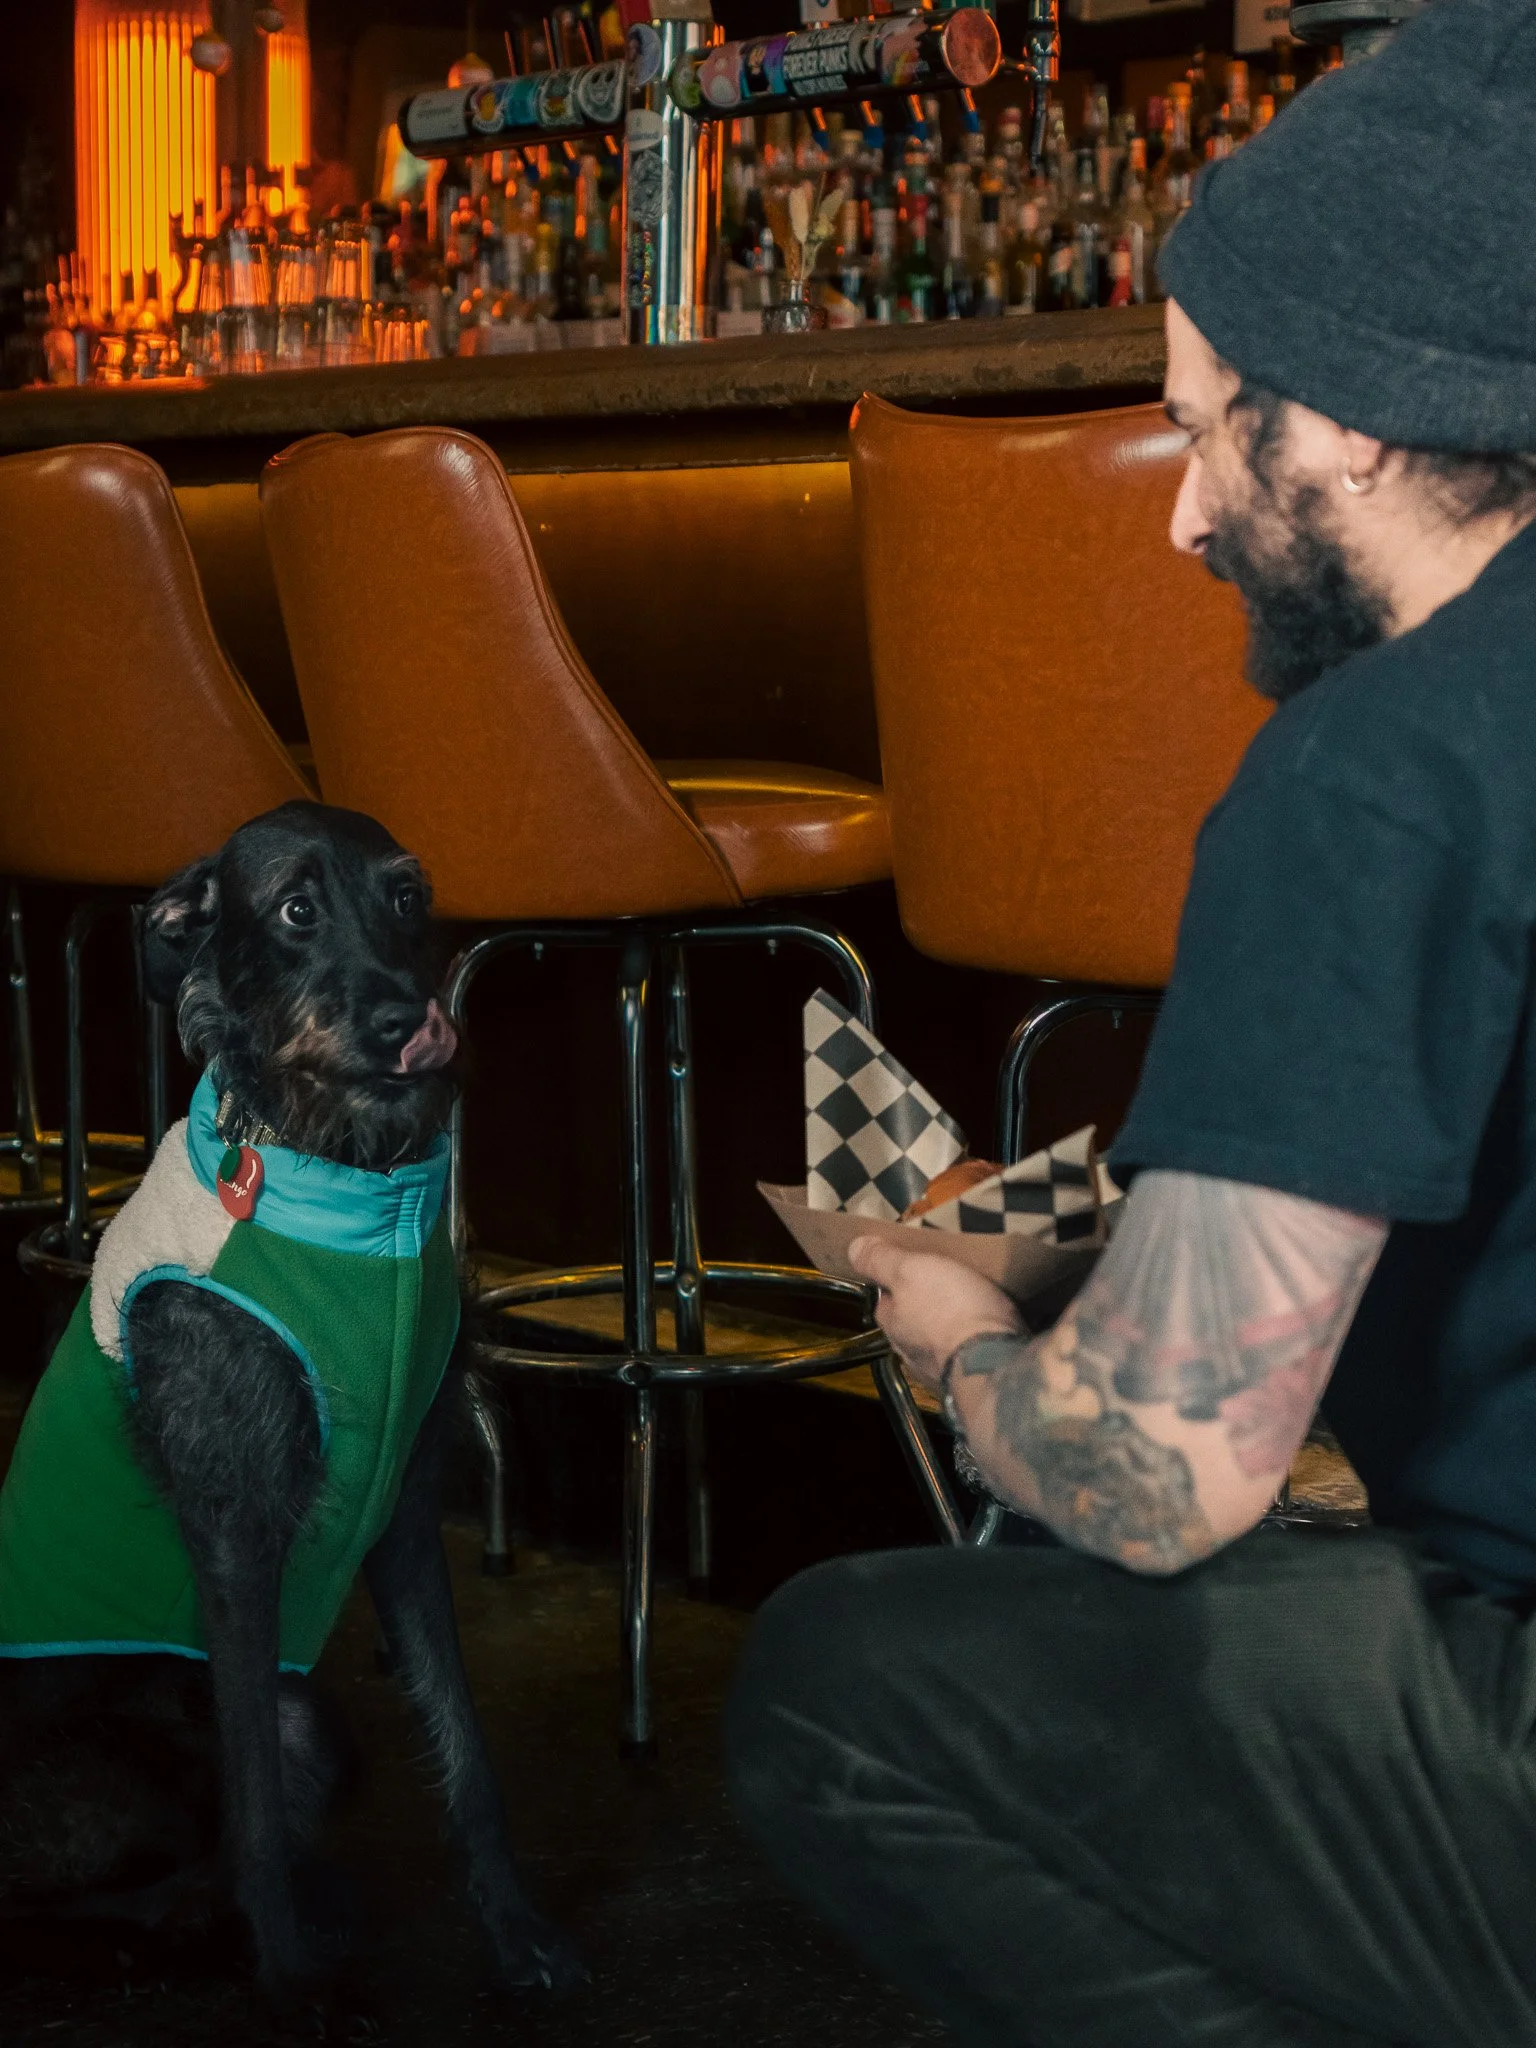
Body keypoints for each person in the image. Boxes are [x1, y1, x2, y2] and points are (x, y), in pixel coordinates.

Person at [723, 5, 1536, 2042]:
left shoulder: (1376, 770)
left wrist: (968, 1348)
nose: (1182, 517)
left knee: (843, 1686)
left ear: (1350, 423)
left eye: (1200, 427)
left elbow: (1162, 1475)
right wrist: (1100, 1239)